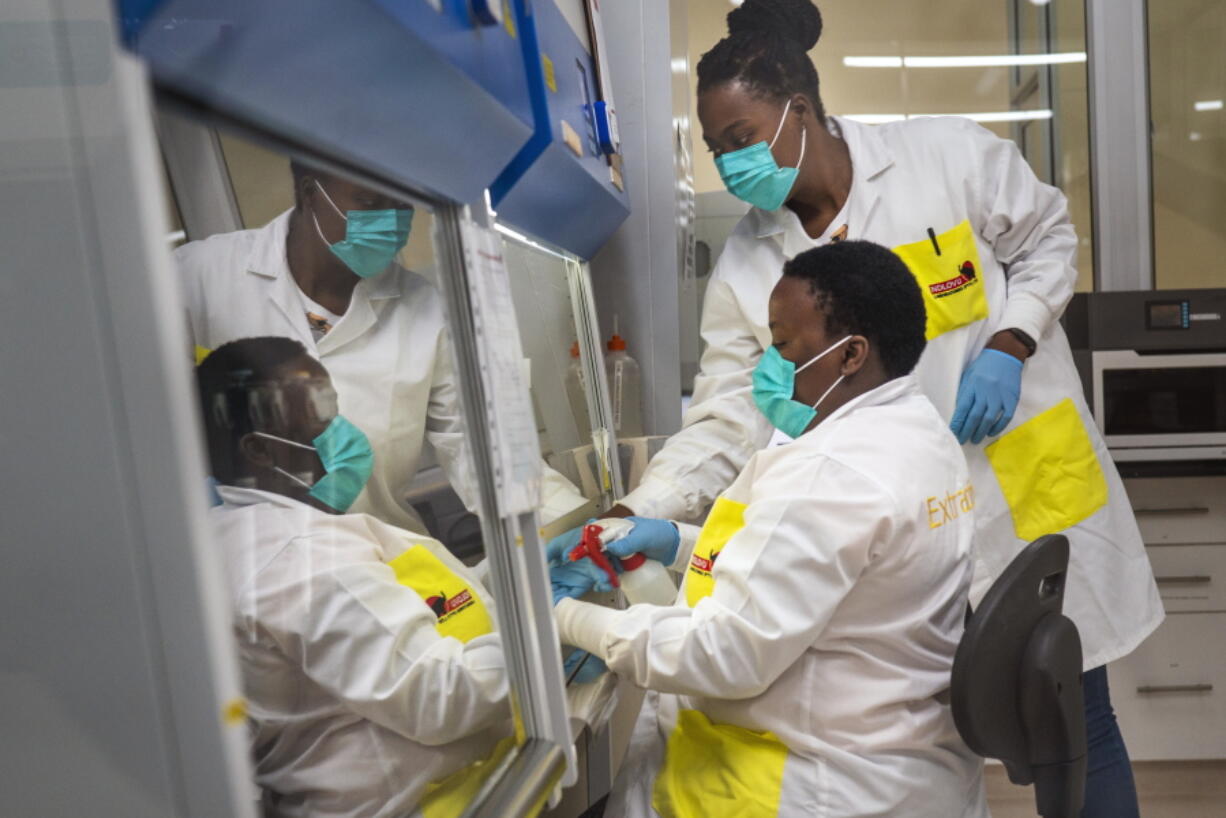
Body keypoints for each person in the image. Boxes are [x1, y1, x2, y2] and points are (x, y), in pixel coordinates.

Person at [549, 3, 1160, 814]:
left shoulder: (943, 158)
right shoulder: (748, 257)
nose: (730, 164)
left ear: (799, 112)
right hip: (897, 528)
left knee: (1076, 723)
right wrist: (638, 510)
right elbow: (730, 411)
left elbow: (1050, 238)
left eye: (742, 137)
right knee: (932, 721)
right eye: (715, 148)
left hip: (1023, 488)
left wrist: (1011, 343)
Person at [552, 242, 988, 818]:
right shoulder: (916, 429)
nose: (768, 364)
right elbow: (825, 569)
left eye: (782, 345)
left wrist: (563, 620)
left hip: (818, 781)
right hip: (897, 755)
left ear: (851, 354)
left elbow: (722, 656)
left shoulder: (831, 471)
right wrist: (675, 541)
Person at [197, 336, 512, 818]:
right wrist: (547, 624)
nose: (342, 431)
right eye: (318, 416)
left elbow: (397, 613)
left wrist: (502, 582)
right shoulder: (302, 558)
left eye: (334, 406)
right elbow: (439, 698)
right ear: (259, 450)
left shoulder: (238, 533)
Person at [178, 163, 585, 533]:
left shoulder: (429, 311)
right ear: (309, 192)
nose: (388, 221)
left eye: (401, 205)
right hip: (242, 568)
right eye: (369, 201)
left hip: (382, 558)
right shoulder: (199, 277)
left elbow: (482, 451)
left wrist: (580, 526)